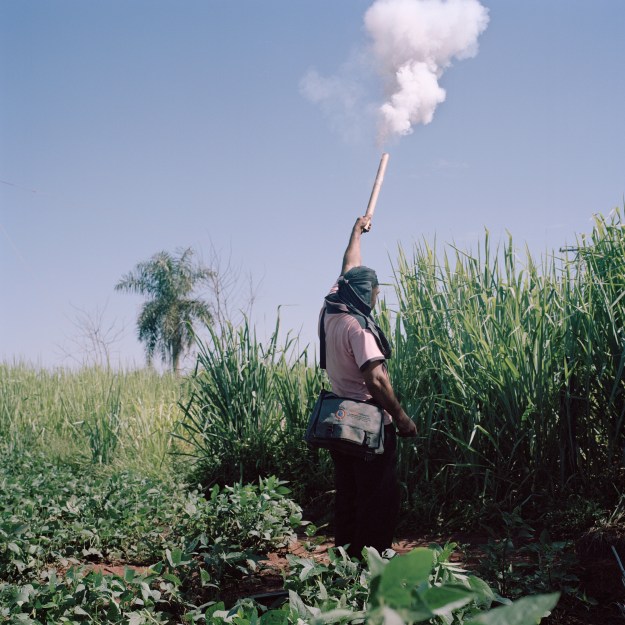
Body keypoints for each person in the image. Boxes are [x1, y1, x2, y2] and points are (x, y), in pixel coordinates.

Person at [319, 215, 417, 559]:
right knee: (378, 495)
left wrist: (356, 233)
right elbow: (376, 379)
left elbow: (349, 267)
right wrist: (402, 418)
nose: (376, 298)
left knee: (349, 492)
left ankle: (345, 559)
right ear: (365, 294)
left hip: (338, 420)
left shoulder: (332, 307)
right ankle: (372, 562)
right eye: (374, 292)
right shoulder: (359, 328)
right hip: (368, 425)